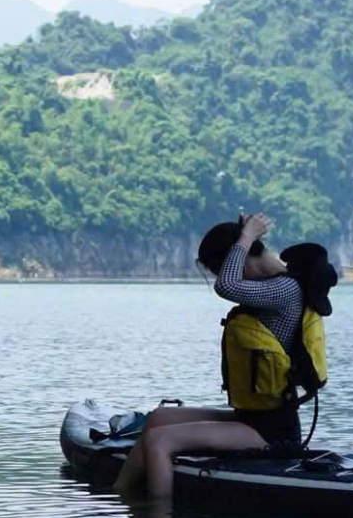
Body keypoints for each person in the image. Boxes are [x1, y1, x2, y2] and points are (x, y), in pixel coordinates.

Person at [113, 212, 337, 499]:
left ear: (240, 259)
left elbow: (227, 286)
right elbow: (232, 279)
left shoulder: (286, 289)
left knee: (159, 440)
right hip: (250, 417)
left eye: (225, 268)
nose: (225, 275)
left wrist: (244, 238)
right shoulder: (274, 285)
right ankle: (119, 495)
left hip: (272, 432)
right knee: (158, 418)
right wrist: (246, 238)